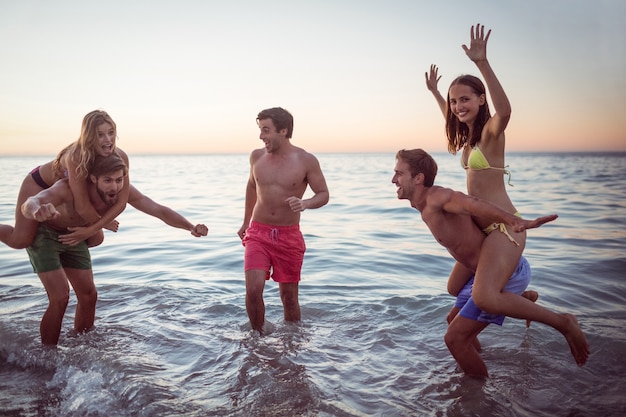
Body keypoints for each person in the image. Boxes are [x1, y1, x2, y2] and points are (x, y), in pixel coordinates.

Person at [392, 148, 589, 377]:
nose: (393, 179)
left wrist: (513, 220)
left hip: (507, 272)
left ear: (418, 178)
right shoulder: (423, 205)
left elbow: (471, 203)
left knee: (455, 340)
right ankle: (489, 342)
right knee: (453, 312)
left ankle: (480, 397)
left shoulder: (437, 198)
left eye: (398, 173)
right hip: (485, 271)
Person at [425, 24, 545, 332]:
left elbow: (504, 111)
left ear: (480, 99)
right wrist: (438, 95)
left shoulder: (491, 135)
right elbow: (449, 118)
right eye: (455, 102)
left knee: (484, 296)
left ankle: (553, 317)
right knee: (454, 287)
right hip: (483, 233)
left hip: (505, 227)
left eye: (465, 99)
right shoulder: (468, 140)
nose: (458, 107)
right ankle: (522, 297)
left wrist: (482, 63)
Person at [237, 107, 329, 334]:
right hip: (258, 232)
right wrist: (245, 222)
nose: (261, 136)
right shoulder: (256, 157)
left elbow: (323, 194)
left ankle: (292, 343)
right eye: (260, 130)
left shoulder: (306, 160)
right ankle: (256, 340)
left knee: (288, 299)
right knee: (253, 289)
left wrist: (306, 203)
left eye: (266, 130)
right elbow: (251, 186)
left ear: (283, 131)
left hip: (288, 236)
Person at [20, 153, 129, 345]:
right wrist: (37, 210)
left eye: (119, 180)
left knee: (89, 295)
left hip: (73, 236)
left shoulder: (114, 189)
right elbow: (31, 202)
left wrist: (189, 226)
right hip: (46, 234)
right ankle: (47, 355)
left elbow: (154, 207)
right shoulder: (66, 187)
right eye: (108, 180)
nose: (114, 186)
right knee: (60, 296)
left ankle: (82, 344)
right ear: (93, 178)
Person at [0, 110, 130, 249]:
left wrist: (97, 226)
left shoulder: (118, 157)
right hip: (40, 183)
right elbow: (82, 207)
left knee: (95, 239)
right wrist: (103, 223)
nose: (108, 139)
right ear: (89, 137)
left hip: (62, 191)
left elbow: (123, 201)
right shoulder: (76, 157)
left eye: (111, 133)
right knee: (20, 241)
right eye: (100, 135)